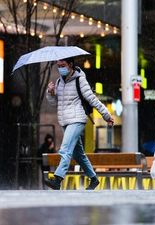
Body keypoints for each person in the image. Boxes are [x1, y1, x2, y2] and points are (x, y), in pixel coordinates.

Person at [44, 57, 114, 190]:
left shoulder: (80, 79)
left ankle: (57, 179)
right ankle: (93, 179)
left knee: (65, 149)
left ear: (70, 65)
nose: (60, 68)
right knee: (78, 154)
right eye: (58, 66)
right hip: (65, 121)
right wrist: (50, 93)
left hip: (77, 119)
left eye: (63, 65)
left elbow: (92, 99)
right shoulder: (59, 82)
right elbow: (54, 103)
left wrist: (106, 115)